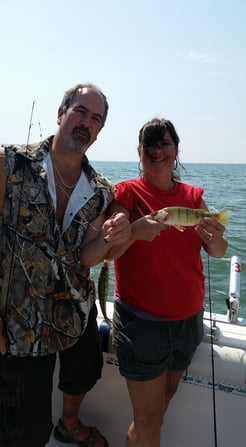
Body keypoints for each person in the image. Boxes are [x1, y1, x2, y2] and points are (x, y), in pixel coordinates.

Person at [0, 83, 131, 447]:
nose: (86, 123)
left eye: (96, 119)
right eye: (80, 112)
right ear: (60, 114)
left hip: (70, 319)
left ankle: (68, 425)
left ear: (100, 131)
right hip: (16, 326)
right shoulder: (9, 163)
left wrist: (114, 233)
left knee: (63, 397)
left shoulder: (100, 190)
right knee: (17, 431)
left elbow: (86, 257)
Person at [104, 117, 228, 447]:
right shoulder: (126, 194)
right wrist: (134, 230)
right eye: (150, 145)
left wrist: (215, 237)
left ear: (176, 150)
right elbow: (109, 252)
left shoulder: (193, 196)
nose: (157, 151)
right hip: (142, 326)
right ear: (139, 152)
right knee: (149, 421)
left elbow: (217, 251)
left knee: (164, 402)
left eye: (165, 143)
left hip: (188, 324)